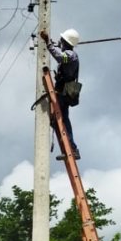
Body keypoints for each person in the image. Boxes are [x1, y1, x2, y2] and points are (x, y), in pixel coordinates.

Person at [40, 27, 81, 158]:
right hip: (64, 90)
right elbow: (60, 52)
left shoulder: (70, 55)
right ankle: (70, 149)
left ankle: (72, 148)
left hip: (63, 91)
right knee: (61, 119)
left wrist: (48, 43)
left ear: (66, 42)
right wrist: (51, 42)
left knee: (61, 119)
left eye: (62, 41)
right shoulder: (70, 54)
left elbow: (59, 57)